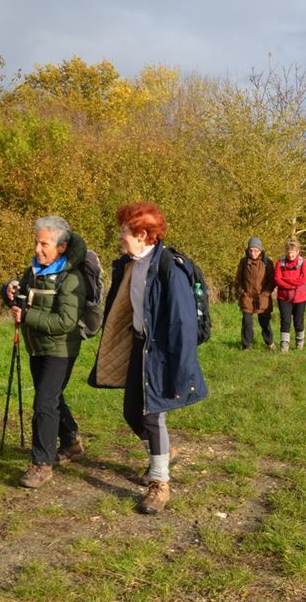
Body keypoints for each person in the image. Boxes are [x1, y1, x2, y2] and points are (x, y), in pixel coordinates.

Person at [88, 202, 208, 515]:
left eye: (124, 233)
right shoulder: (130, 264)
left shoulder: (169, 267)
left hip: (162, 354)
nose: (120, 238)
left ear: (143, 235)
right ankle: (164, 452)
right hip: (138, 347)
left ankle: (160, 484)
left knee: (152, 416)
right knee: (132, 413)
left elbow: (182, 323)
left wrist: (180, 370)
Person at [2, 216, 88, 489]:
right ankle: (72, 442)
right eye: (36, 242)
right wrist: (9, 292)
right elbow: (25, 298)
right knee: (50, 397)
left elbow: (66, 322)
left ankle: (42, 464)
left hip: (61, 348)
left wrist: (27, 315)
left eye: (44, 244)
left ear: (61, 247)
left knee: (43, 403)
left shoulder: (72, 278)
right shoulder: (35, 270)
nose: (38, 249)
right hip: (37, 346)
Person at [235, 237, 275, 349]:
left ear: (260, 251)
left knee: (265, 322)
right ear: (247, 250)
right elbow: (238, 280)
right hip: (247, 297)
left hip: (263, 298)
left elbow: (272, 282)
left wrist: (265, 294)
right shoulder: (243, 262)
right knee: (247, 323)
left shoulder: (267, 263)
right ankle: (247, 345)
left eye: (256, 250)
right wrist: (243, 293)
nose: (253, 253)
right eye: (251, 250)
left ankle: (270, 343)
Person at [274, 238, 306, 352]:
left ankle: (300, 342)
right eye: (288, 252)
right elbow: (277, 279)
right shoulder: (280, 262)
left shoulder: (303, 262)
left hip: (300, 298)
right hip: (284, 298)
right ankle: (284, 346)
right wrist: (292, 285)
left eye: (292, 252)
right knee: (285, 321)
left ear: (298, 251)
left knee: (298, 321)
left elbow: (303, 279)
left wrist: (286, 280)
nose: (290, 255)